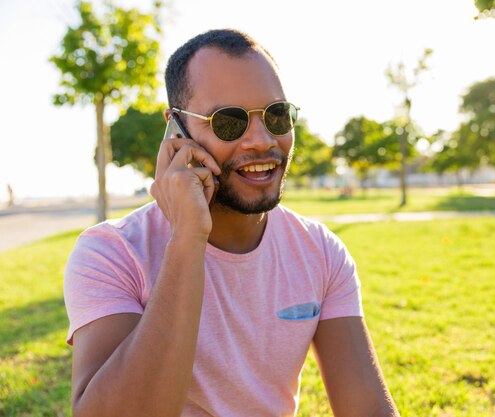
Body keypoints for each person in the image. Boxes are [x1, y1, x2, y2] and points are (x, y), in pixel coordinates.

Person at [64, 29, 399, 417]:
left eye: (277, 116)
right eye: (228, 122)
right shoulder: (110, 252)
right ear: (176, 129)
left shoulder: (320, 251)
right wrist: (188, 239)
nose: (261, 140)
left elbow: (368, 409)